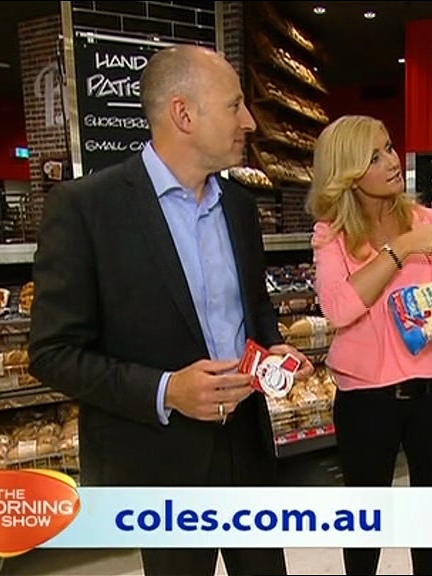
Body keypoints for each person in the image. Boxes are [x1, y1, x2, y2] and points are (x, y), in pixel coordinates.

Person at [28, 46, 310, 576]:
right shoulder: (86, 208)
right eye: (234, 106)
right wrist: (166, 390)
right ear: (184, 114)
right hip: (158, 462)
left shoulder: (239, 207)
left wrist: (272, 347)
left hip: (247, 450)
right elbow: (52, 353)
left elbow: (253, 307)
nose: (249, 122)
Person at [307, 115, 432, 576]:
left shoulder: (431, 222)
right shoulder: (332, 234)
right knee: (364, 523)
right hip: (367, 400)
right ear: (348, 172)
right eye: (374, 157)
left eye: (389, 148)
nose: (392, 161)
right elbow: (339, 308)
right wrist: (401, 248)